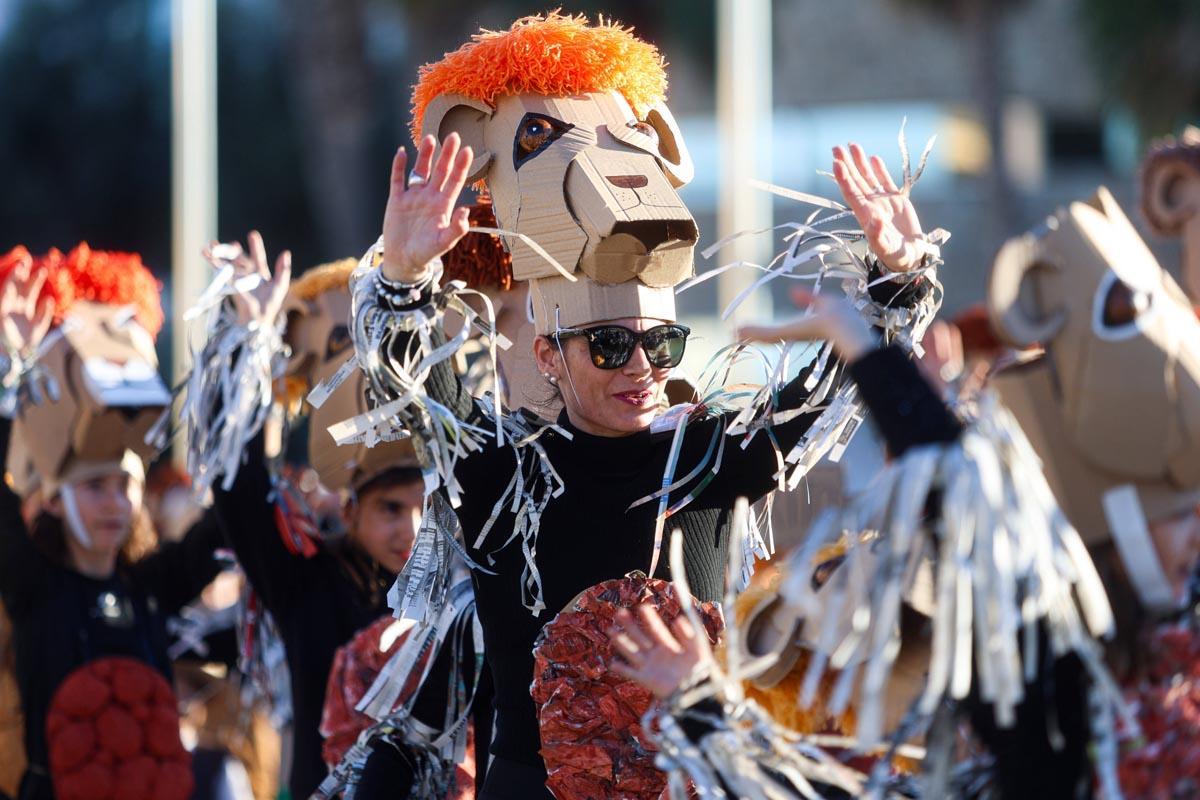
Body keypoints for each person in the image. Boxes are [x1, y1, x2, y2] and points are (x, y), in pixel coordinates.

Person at [332, 13, 948, 798]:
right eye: (610, 346)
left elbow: (830, 394)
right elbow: (415, 390)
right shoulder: (502, 474)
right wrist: (404, 274)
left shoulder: (704, 458)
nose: (642, 368)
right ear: (549, 354)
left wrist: (897, 280)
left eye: (660, 345)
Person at [181, 246, 429, 800]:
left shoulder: (456, 592)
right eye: (390, 509)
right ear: (349, 510)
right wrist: (250, 339)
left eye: (423, 507)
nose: (409, 528)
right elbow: (236, 484)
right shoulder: (308, 588)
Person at [0, 244, 224, 800]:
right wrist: (11, 374)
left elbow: (232, 515)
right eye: (94, 487)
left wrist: (246, 363)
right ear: (52, 500)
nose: (114, 503)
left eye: (125, 484)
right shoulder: (33, 588)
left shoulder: (149, 588)